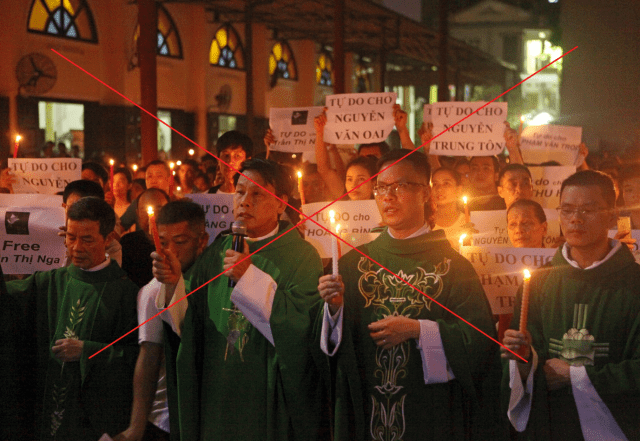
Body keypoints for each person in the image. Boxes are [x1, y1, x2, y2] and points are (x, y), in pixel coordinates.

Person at [318, 149, 500, 440]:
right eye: (381, 188)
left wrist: (418, 330)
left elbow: (480, 343)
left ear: (426, 193)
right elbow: (334, 355)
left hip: (429, 415)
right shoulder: (353, 264)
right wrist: (335, 310)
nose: (388, 196)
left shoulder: (454, 266)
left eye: (400, 186)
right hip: (368, 414)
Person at [154, 158, 326, 440]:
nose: (245, 201)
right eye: (240, 192)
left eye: (257, 194)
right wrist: (173, 285)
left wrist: (248, 277)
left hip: (264, 397)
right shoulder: (218, 249)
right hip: (216, 390)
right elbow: (189, 321)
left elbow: (300, 331)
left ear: (282, 203)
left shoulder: (302, 256)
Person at [502, 170, 640, 440]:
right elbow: (529, 361)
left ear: (612, 215)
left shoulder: (634, 284)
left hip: (616, 424)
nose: (575, 219)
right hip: (552, 422)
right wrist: (523, 356)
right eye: (567, 210)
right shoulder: (538, 283)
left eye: (588, 209)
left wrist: (576, 375)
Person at [2, 197, 139, 440]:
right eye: (71, 237)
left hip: (92, 424)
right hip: (46, 419)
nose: (76, 247)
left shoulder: (126, 293)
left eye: (87, 239)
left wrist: (88, 351)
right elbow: (7, 303)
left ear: (108, 239)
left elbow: (136, 360)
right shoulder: (50, 282)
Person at [115, 201, 208, 441]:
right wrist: (136, 426)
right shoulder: (153, 290)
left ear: (202, 241)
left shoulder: (216, 278)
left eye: (180, 242)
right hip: (167, 417)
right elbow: (149, 356)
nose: (170, 252)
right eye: (162, 243)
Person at [61, 179, 123, 266]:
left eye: (87, 210)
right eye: (72, 208)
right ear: (64, 207)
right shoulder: (49, 233)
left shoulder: (110, 246)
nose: (79, 215)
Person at [121, 188, 170, 288]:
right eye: (144, 210)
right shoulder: (128, 243)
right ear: (138, 213)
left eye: (159, 209)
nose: (152, 216)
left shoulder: (175, 243)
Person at [120, 160, 171, 232]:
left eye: (159, 176)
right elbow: (119, 227)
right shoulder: (138, 203)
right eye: (149, 176)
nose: (153, 181)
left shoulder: (176, 202)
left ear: (169, 179)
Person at [431, 167, 468, 248]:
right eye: (435, 184)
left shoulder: (468, 223)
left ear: (458, 190)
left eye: (446, 184)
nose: (439, 189)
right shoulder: (424, 223)